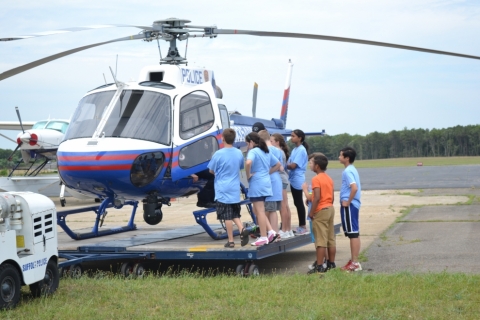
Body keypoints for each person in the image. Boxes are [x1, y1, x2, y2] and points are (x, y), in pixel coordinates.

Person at [207, 128, 249, 248]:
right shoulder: (238, 153)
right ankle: (242, 229)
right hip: (234, 187)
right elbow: (240, 166)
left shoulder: (218, 154)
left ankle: (231, 240)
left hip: (222, 188)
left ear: (223, 138)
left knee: (226, 216)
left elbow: (211, 170)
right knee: (234, 212)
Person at [245, 132, 280, 246]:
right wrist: (266, 172)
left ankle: (263, 237)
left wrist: (248, 174)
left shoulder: (253, 151)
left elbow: (248, 162)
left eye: (247, 143)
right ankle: (271, 232)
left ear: (251, 142)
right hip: (266, 183)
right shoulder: (266, 151)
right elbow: (278, 164)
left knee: (259, 211)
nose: (247, 146)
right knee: (257, 210)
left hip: (257, 183)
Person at [302, 154, 336, 274]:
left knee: (320, 240)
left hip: (320, 210)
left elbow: (316, 197)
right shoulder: (328, 178)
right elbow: (331, 196)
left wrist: (311, 213)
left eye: (311, 163)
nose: (309, 165)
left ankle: (320, 266)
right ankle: (331, 263)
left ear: (317, 166)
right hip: (330, 208)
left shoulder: (316, 179)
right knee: (330, 238)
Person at [339, 147, 362, 271]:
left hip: (350, 205)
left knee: (353, 233)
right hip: (354, 204)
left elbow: (354, 188)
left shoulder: (347, 171)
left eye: (341, 155)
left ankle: (354, 262)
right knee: (354, 232)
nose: (339, 157)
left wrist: (347, 202)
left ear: (347, 158)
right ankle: (354, 261)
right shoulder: (352, 169)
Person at [258, 130, 283, 239]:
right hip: (277, 181)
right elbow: (281, 167)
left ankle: (269, 232)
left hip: (270, 182)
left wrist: (267, 172)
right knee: (273, 210)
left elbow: (277, 165)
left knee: (267, 209)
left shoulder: (265, 151)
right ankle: (275, 232)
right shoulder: (278, 150)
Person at [270, 133, 293, 239]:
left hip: (280, 179)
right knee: (285, 205)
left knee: (282, 206)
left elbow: (279, 167)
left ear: (277, 142)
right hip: (284, 179)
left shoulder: (277, 151)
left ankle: (284, 229)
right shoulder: (282, 151)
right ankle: (288, 229)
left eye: (272, 141)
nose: (270, 143)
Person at [286, 129, 309, 235]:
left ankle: (303, 225)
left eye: (293, 136)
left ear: (300, 138)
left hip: (298, 178)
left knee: (299, 202)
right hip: (293, 178)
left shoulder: (301, 150)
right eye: (291, 136)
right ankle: (301, 225)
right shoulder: (295, 149)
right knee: (296, 202)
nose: (292, 138)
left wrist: (282, 165)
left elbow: (293, 165)